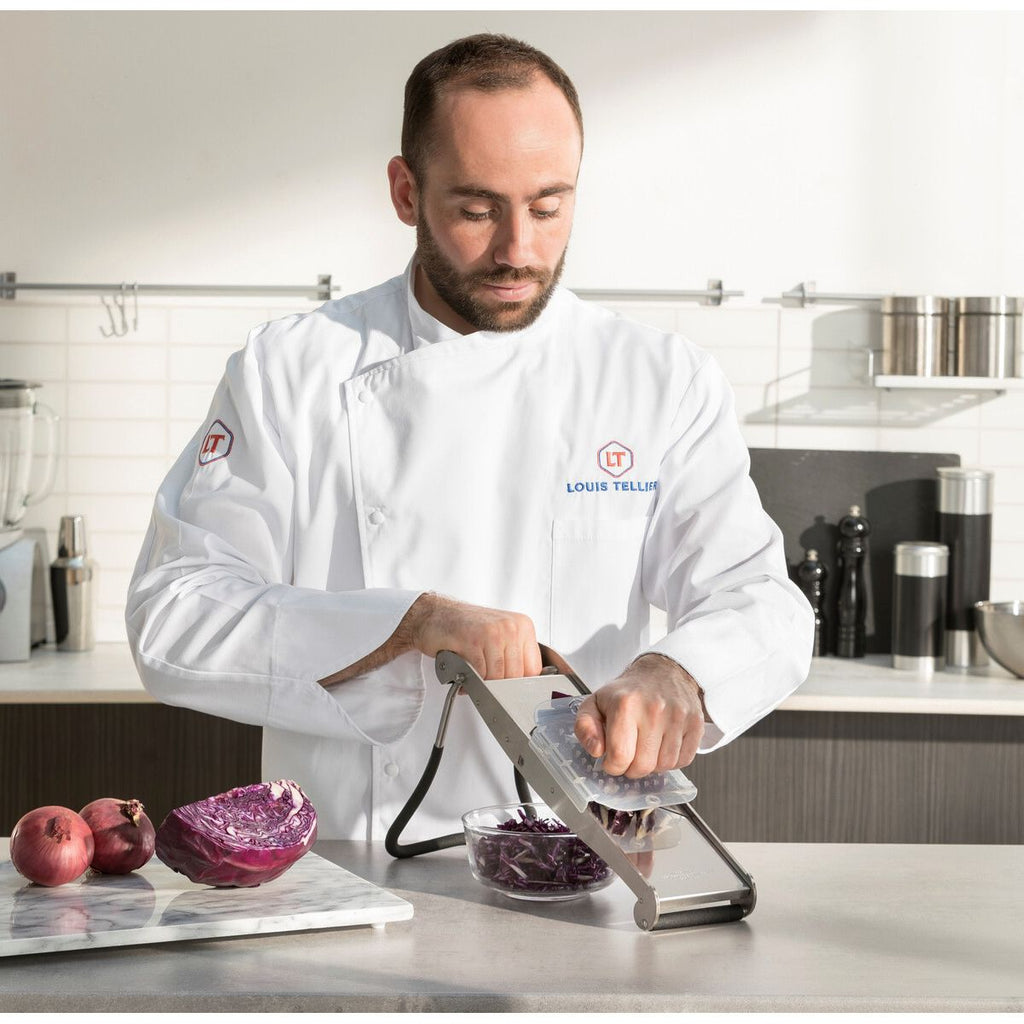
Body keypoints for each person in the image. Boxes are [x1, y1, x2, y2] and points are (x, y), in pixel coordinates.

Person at [126, 33, 813, 841]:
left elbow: (762, 600)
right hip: (348, 866)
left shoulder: (658, 379)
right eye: (477, 209)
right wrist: (404, 624)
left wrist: (679, 671)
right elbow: (173, 614)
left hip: (585, 864)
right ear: (405, 192)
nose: (518, 250)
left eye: (549, 207)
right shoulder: (292, 370)